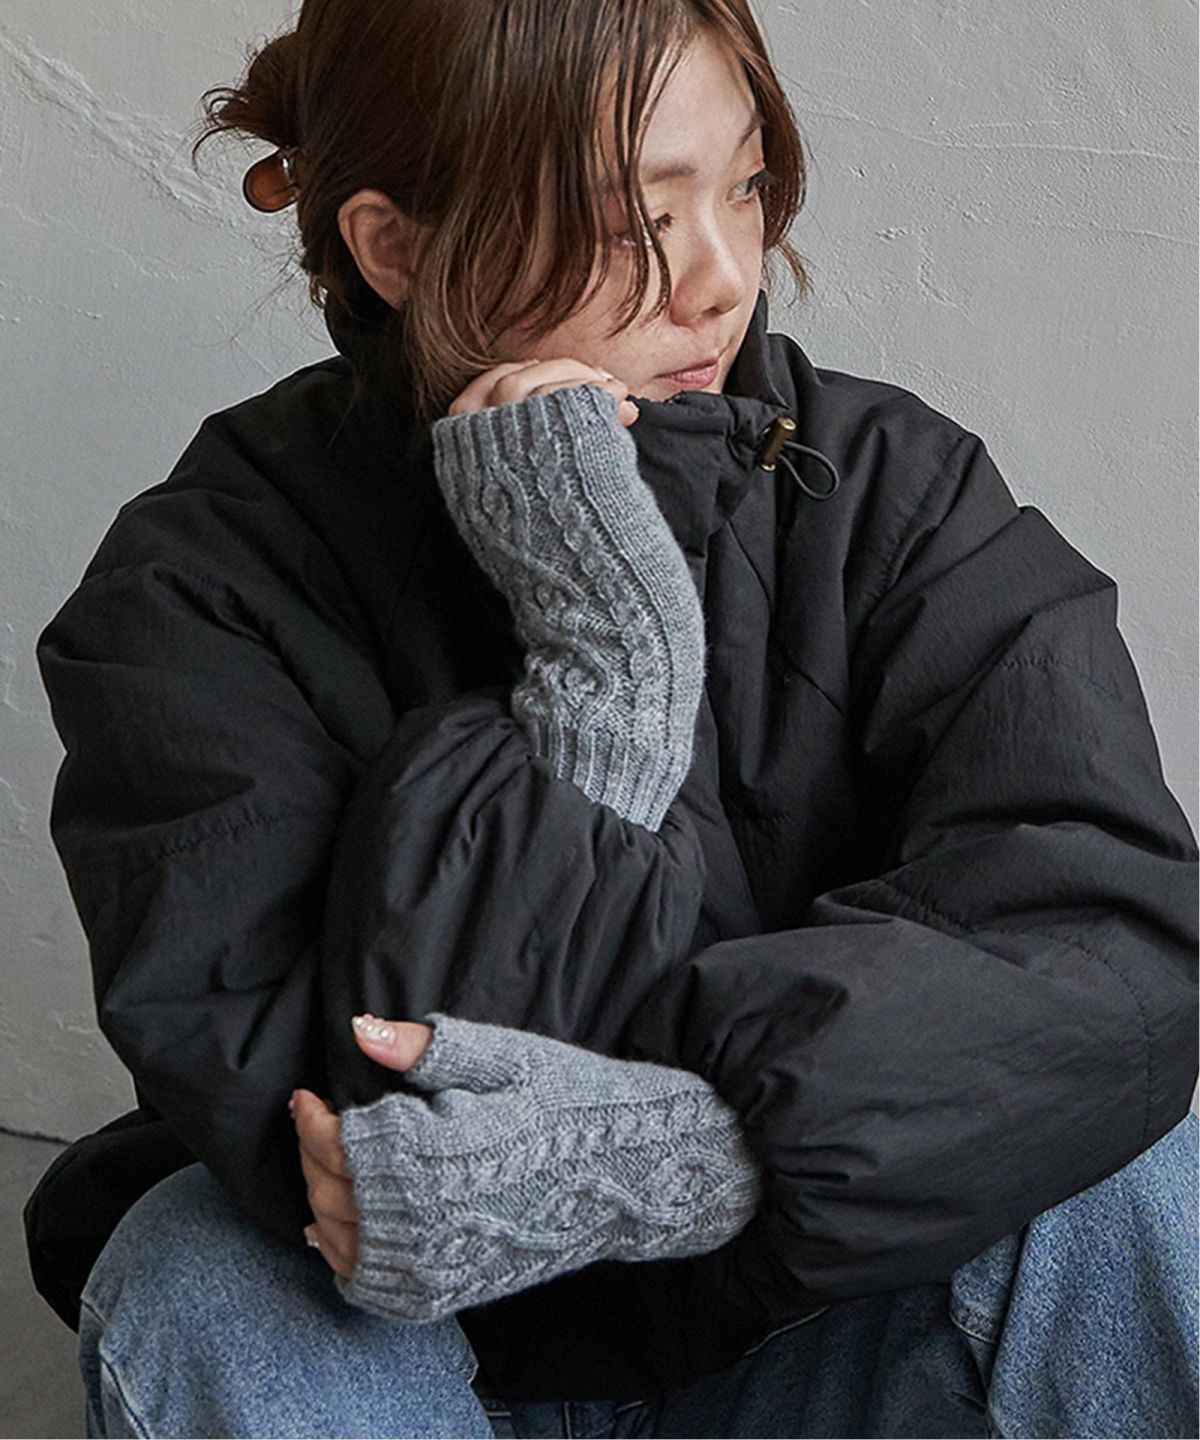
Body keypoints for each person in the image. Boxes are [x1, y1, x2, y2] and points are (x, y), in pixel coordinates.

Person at [22, 1, 1197, 1436]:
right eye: (638, 221)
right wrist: (607, 672)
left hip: (808, 1321)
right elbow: (357, 1126)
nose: (721, 278)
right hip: (424, 1358)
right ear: (394, 247)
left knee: (1130, 1176)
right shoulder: (202, 585)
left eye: (745, 184)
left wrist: (697, 1154)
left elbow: (1107, 949)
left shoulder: (895, 490)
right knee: (196, 1279)